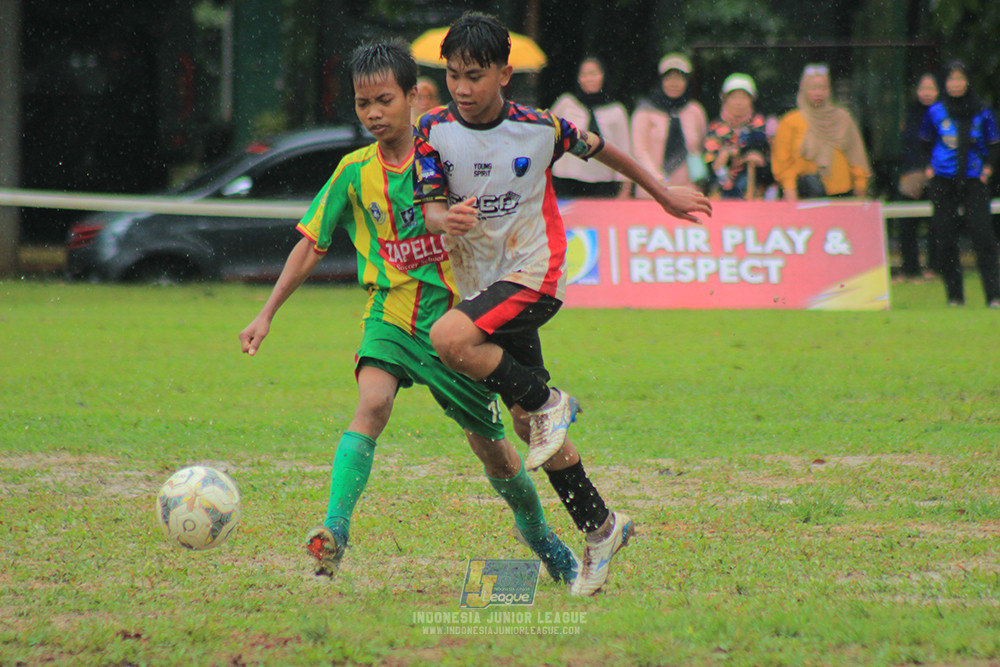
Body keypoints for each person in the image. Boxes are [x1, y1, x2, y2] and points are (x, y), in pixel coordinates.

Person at [238, 40, 579, 585]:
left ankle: (541, 537)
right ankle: (334, 533)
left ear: (415, 98)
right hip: (391, 315)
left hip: (454, 328)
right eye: (362, 104)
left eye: (384, 101)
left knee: (496, 456)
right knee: (371, 405)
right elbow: (311, 244)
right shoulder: (353, 173)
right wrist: (267, 313)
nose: (373, 114)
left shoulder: (450, 162)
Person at [413, 11, 712, 596]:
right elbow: (428, 208)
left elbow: (609, 154)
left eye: (474, 75)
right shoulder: (432, 130)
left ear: (505, 72)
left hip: (536, 274)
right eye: (453, 75)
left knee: (450, 340)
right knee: (528, 426)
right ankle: (601, 527)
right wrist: (446, 218)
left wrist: (663, 195)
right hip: (481, 288)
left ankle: (550, 399)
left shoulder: (542, 126)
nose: (462, 88)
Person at [920, 60, 1000, 307]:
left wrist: (988, 170)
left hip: (974, 179)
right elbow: (924, 141)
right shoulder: (935, 111)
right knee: (944, 238)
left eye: (960, 78)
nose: (955, 84)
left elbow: (994, 144)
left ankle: (994, 296)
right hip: (943, 181)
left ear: (967, 81)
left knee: (983, 237)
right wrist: (929, 168)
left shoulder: (982, 111)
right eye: (951, 79)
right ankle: (955, 296)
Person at [772, 63, 871, 201]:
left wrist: (860, 185)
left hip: (842, 193)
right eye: (813, 88)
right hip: (805, 194)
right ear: (804, 89)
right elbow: (783, 162)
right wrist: (789, 189)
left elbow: (856, 156)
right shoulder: (790, 121)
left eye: (823, 88)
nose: (818, 93)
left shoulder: (843, 118)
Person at [549, 57, 631, 198]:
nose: (589, 79)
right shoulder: (566, 103)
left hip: (603, 182)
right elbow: (548, 136)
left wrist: (626, 188)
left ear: (603, 76)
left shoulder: (616, 110)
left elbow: (624, 148)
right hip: (566, 178)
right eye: (584, 75)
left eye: (594, 73)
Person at [631, 52, 709, 193]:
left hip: (688, 190)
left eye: (679, 78)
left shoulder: (695, 111)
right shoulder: (645, 112)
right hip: (651, 189)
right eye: (669, 78)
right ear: (661, 81)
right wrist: (657, 179)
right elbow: (640, 150)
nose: (674, 83)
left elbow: (701, 147)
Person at [896, 73, 940, 280]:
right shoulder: (911, 113)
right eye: (923, 88)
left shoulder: (945, 113)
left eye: (931, 88)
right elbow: (909, 145)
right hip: (912, 172)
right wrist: (916, 171)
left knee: (937, 223)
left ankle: (935, 267)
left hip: (940, 174)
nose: (926, 93)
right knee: (906, 222)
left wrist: (932, 167)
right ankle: (910, 268)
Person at [702, 73, 771, 200]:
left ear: (752, 99)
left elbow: (768, 160)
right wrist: (723, 158)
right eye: (734, 97)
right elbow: (708, 168)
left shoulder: (760, 125)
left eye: (744, 98)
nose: (739, 103)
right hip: (720, 196)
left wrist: (756, 158)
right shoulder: (715, 129)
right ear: (724, 99)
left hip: (756, 196)